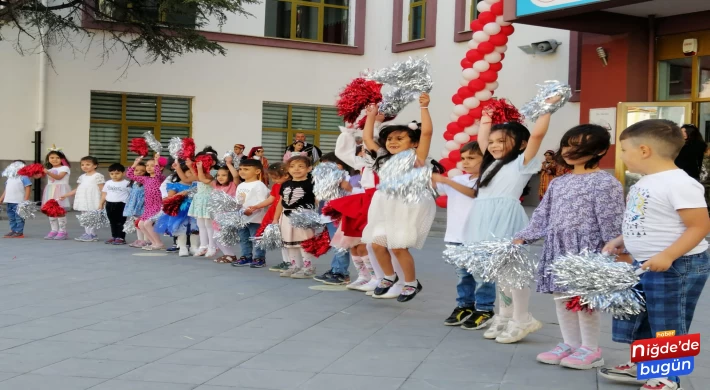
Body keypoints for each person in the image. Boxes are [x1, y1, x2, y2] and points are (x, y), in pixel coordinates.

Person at [599, 119, 710, 390]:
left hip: (678, 266)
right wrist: (621, 239)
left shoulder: (680, 183)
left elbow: (700, 225)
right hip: (647, 264)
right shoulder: (646, 182)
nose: (622, 156)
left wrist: (669, 255)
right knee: (642, 317)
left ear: (645, 150)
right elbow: (645, 218)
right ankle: (644, 366)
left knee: (668, 322)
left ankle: (666, 378)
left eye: (624, 150)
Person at [514, 125, 625, 369]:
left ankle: (591, 349)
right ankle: (570, 343)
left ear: (600, 150)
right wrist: (525, 236)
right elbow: (543, 215)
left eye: (579, 146)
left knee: (584, 300)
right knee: (561, 297)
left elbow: (612, 221)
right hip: (559, 247)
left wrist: (613, 251)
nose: (570, 150)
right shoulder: (558, 183)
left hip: (587, 251)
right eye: (567, 144)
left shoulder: (606, 183)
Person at [461, 96, 559, 343]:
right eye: (492, 142)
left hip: (505, 219)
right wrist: (486, 117)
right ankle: (504, 315)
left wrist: (546, 108)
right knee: (498, 272)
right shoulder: (490, 164)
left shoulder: (521, 162)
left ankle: (522, 317)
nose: (493, 145)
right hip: (483, 218)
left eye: (501, 141)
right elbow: (483, 140)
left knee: (512, 272)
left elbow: (537, 136)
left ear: (521, 144)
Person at [361, 93, 435, 302]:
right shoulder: (383, 157)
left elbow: (427, 133)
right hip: (384, 203)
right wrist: (371, 115)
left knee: (398, 246)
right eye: (390, 139)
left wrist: (424, 108)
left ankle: (411, 283)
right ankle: (388, 276)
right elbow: (367, 139)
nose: (393, 142)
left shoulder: (416, 157)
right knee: (376, 244)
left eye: (399, 138)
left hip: (405, 204)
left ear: (413, 143)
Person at [434, 142, 494, 329]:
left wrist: (447, 180)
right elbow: (433, 188)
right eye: (463, 158)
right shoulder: (459, 179)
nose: (465, 162)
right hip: (455, 235)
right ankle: (465, 306)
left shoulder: (488, 180)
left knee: (481, 275)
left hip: (479, 237)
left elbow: (474, 193)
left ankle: (485, 308)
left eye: (471, 158)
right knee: (463, 275)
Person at [312, 152, 354, 286]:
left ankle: (341, 273)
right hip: (328, 217)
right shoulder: (325, 180)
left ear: (339, 166)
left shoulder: (346, 178)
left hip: (339, 216)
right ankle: (336, 269)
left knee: (340, 245)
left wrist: (345, 184)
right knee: (336, 244)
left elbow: (351, 193)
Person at [274, 155, 318, 278]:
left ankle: (308, 267)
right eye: (292, 166)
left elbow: (317, 200)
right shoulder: (285, 184)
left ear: (309, 169)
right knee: (289, 242)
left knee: (304, 241)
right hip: (286, 216)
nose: (296, 169)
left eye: (301, 166)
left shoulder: (312, 183)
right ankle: (295, 265)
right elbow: (280, 203)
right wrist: (275, 218)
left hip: (304, 216)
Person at [248, 162, 292, 272]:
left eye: (275, 178)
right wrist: (256, 206)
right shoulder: (277, 186)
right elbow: (271, 199)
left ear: (286, 175)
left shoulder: (290, 185)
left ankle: (292, 262)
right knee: (281, 239)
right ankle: (286, 261)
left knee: (288, 239)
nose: (273, 181)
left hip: (285, 213)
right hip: (274, 212)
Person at [231, 159, 269, 268]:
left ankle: (259, 258)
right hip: (242, 217)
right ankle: (246, 256)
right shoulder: (241, 185)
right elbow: (239, 201)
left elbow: (262, 202)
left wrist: (252, 210)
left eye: (246, 169)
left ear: (257, 171)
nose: (242, 171)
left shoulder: (259, 185)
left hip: (256, 218)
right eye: (241, 169)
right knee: (244, 238)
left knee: (256, 238)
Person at [156, 160, 197, 257]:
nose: (192, 175)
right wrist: (180, 194)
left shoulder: (196, 185)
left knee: (195, 228)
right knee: (181, 228)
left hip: (194, 209)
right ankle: (182, 247)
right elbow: (170, 198)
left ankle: (194, 247)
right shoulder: (175, 185)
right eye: (189, 172)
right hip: (180, 210)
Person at [60, 156, 105, 242]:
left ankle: (91, 234)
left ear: (95, 165)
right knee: (84, 216)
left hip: (92, 198)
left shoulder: (97, 176)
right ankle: (87, 233)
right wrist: (66, 195)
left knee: (91, 216)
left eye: (88, 164)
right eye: (82, 164)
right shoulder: (82, 177)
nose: (85, 166)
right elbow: (78, 188)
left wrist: (102, 202)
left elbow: (102, 189)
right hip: (84, 199)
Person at [127, 153, 166, 250]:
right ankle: (154, 243)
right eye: (147, 165)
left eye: (152, 166)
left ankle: (159, 243)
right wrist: (136, 163)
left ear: (160, 168)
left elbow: (157, 173)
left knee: (147, 223)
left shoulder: (160, 178)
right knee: (140, 224)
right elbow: (129, 174)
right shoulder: (145, 179)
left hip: (158, 205)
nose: (148, 167)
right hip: (149, 206)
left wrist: (157, 161)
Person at [188, 147, 219, 257]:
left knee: (209, 224)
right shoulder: (201, 171)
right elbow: (196, 177)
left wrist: (199, 169)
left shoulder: (215, 172)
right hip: (200, 199)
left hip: (209, 199)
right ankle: (203, 245)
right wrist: (191, 166)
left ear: (213, 162)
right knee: (200, 223)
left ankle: (212, 246)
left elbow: (203, 178)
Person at [42, 148, 72, 240]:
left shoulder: (65, 168)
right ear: (48, 159)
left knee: (59, 211)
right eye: (52, 157)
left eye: (57, 157)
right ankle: (53, 230)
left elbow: (59, 177)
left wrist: (48, 172)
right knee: (50, 210)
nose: (54, 160)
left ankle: (62, 231)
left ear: (62, 159)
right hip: (50, 190)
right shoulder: (49, 169)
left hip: (61, 190)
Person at [212, 161, 238, 263]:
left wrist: (228, 164)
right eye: (218, 175)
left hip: (228, 215)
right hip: (217, 215)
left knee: (222, 237)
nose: (220, 177)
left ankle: (231, 255)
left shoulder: (232, 185)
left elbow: (235, 175)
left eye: (224, 175)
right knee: (216, 238)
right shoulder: (216, 186)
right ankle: (227, 254)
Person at [99, 163, 131, 245]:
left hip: (121, 204)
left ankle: (121, 237)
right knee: (112, 221)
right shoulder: (108, 183)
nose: (114, 175)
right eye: (112, 174)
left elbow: (131, 194)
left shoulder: (127, 183)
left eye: (117, 173)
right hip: (109, 204)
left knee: (121, 222)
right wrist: (101, 203)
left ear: (123, 173)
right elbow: (104, 193)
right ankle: (114, 236)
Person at [1, 160, 32, 238]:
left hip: (19, 202)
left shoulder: (24, 177)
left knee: (19, 217)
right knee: (11, 217)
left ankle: (19, 232)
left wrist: (26, 200)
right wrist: (1, 198)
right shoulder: (10, 178)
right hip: (9, 201)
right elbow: (6, 189)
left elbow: (28, 187)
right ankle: (13, 230)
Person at [125, 162, 148, 248]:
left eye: (142, 171)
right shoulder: (133, 182)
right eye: (136, 170)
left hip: (143, 205)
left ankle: (146, 240)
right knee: (137, 223)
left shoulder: (146, 181)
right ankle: (140, 239)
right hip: (134, 206)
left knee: (144, 223)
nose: (138, 172)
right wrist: (135, 164)